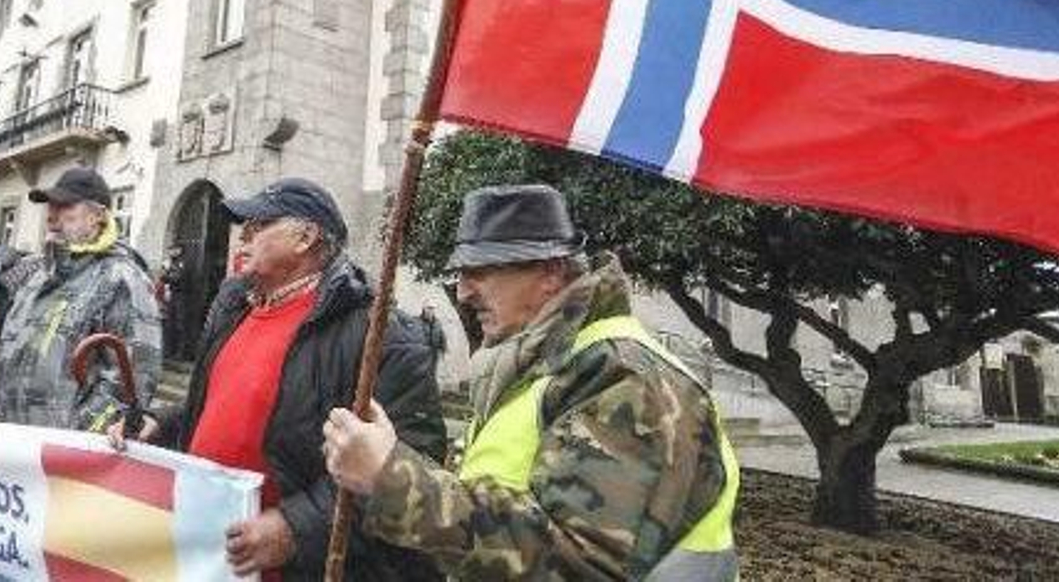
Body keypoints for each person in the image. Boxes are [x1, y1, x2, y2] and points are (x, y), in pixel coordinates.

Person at [322, 184, 740, 580]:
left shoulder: (628, 378)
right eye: (461, 274)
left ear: (551, 273)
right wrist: (390, 461)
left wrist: (393, 478)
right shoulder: (549, 365)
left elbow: (577, 561)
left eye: (481, 271)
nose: (463, 292)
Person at [113, 177, 448, 581]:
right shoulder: (232, 308)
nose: (243, 237)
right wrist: (163, 424)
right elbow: (222, 404)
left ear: (306, 236)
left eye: (258, 226)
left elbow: (403, 467)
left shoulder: (381, 335)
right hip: (210, 557)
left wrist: (297, 528)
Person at [0, 167, 160, 431]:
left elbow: (130, 381)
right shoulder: (37, 276)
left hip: (59, 456)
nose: (52, 216)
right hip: (9, 447)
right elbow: (6, 354)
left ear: (97, 217)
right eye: (50, 205)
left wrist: (78, 434)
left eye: (65, 206)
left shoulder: (121, 278)